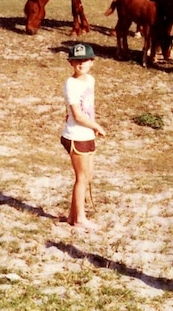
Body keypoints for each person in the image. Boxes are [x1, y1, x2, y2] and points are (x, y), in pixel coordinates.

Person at [60, 42, 107, 230]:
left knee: (88, 175)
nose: (81, 64)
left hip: (87, 133)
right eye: (77, 60)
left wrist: (92, 127)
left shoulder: (90, 80)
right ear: (71, 63)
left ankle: (72, 216)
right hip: (75, 135)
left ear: (91, 62)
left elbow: (86, 107)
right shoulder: (70, 84)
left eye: (85, 60)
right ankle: (80, 218)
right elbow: (78, 115)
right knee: (82, 177)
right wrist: (97, 126)